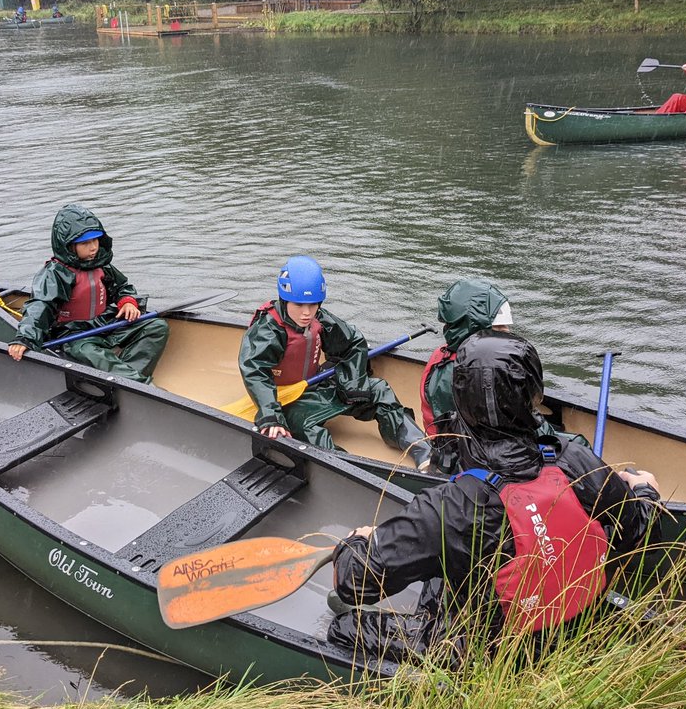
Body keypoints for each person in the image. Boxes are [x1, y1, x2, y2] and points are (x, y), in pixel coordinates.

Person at [328, 330, 661, 663]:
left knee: (344, 626)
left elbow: (355, 583)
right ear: (533, 394)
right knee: (448, 559)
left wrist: (357, 542)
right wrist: (646, 490)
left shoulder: (451, 507)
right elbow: (637, 531)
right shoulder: (575, 458)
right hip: (579, 624)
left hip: (491, 653)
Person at [238, 256, 433, 470]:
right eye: (299, 305)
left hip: (313, 387)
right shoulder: (269, 330)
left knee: (378, 389)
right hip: (283, 402)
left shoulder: (319, 319)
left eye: (312, 305)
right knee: (305, 427)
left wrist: (353, 384)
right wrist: (270, 414)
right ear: (285, 300)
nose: (306, 313)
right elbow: (255, 371)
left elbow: (353, 343)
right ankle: (356, 470)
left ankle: (422, 450)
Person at [421, 279, 584, 475]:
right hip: (475, 456)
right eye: (499, 328)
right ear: (475, 328)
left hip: (474, 446)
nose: (507, 332)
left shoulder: (449, 358)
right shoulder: (466, 374)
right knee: (578, 446)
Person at [7, 203, 169, 384]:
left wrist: (128, 301)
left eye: (96, 240)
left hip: (104, 323)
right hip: (73, 335)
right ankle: (141, 385)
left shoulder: (101, 265)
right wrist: (24, 338)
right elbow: (39, 306)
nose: (93, 248)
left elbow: (122, 287)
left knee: (156, 327)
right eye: (85, 243)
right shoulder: (55, 273)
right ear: (69, 246)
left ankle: (127, 379)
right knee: (90, 353)